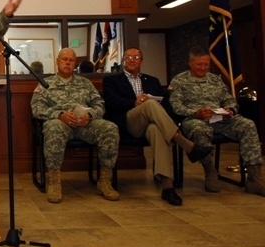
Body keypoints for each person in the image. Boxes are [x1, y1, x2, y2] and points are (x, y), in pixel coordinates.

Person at [102, 48, 211, 206]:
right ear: (123, 60)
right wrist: (134, 102)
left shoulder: (152, 81)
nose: (132, 59)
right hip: (129, 122)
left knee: (157, 130)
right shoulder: (112, 80)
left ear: (141, 60)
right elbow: (111, 103)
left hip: (152, 124)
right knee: (150, 104)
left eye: (136, 57)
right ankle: (184, 142)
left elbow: (166, 105)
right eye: (128, 57)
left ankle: (167, 186)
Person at [169, 46, 265, 196]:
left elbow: (229, 99)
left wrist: (230, 109)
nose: (203, 68)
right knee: (200, 130)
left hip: (220, 119)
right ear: (190, 63)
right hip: (196, 120)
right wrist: (195, 113)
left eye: (206, 64)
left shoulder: (215, 80)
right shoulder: (179, 81)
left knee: (248, 125)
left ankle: (253, 178)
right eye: (199, 64)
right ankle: (210, 172)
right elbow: (175, 106)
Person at [31, 47, 120, 203]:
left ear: (75, 64)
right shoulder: (46, 84)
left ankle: (105, 180)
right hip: (61, 124)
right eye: (64, 59)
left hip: (85, 124)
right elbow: (37, 108)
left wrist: (90, 115)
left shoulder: (85, 83)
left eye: (71, 60)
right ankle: (54, 181)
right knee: (53, 128)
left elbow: (99, 104)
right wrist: (59, 115)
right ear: (57, 62)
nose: (68, 63)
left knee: (110, 128)